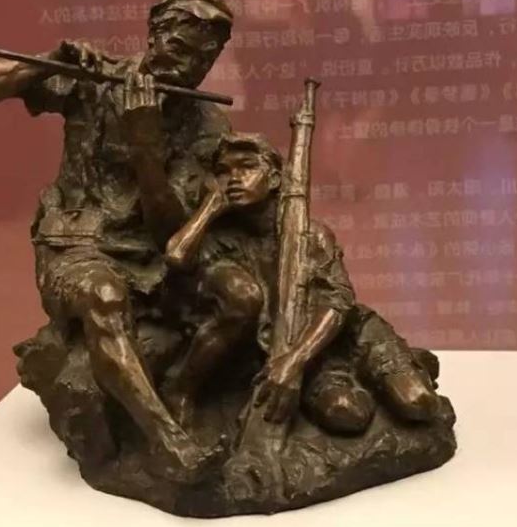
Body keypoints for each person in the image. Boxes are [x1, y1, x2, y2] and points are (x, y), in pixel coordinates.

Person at [0, 0, 234, 482]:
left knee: (241, 296)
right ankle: (167, 441)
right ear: (154, 36)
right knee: (103, 297)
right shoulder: (96, 79)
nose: (188, 66)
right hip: (78, 243)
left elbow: (171, 229)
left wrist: (146, 146)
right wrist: (51, 59)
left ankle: (191, 395)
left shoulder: (206, 121)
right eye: (179, 47)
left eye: (204, 57)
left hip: (156, 251)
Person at [165, 132, 443, 435]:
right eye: (223, 171)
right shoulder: (223, 241)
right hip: (306, 357)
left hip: (347, 336)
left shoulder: (310, 235)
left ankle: (395, 367)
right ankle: (362, 383)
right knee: (347, 414)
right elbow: (177, 257)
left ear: (274, 179)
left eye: (246, 166)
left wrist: (295, 360)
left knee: (418, 402)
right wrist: (210, 208)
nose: (234, 178)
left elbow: (336, 302)